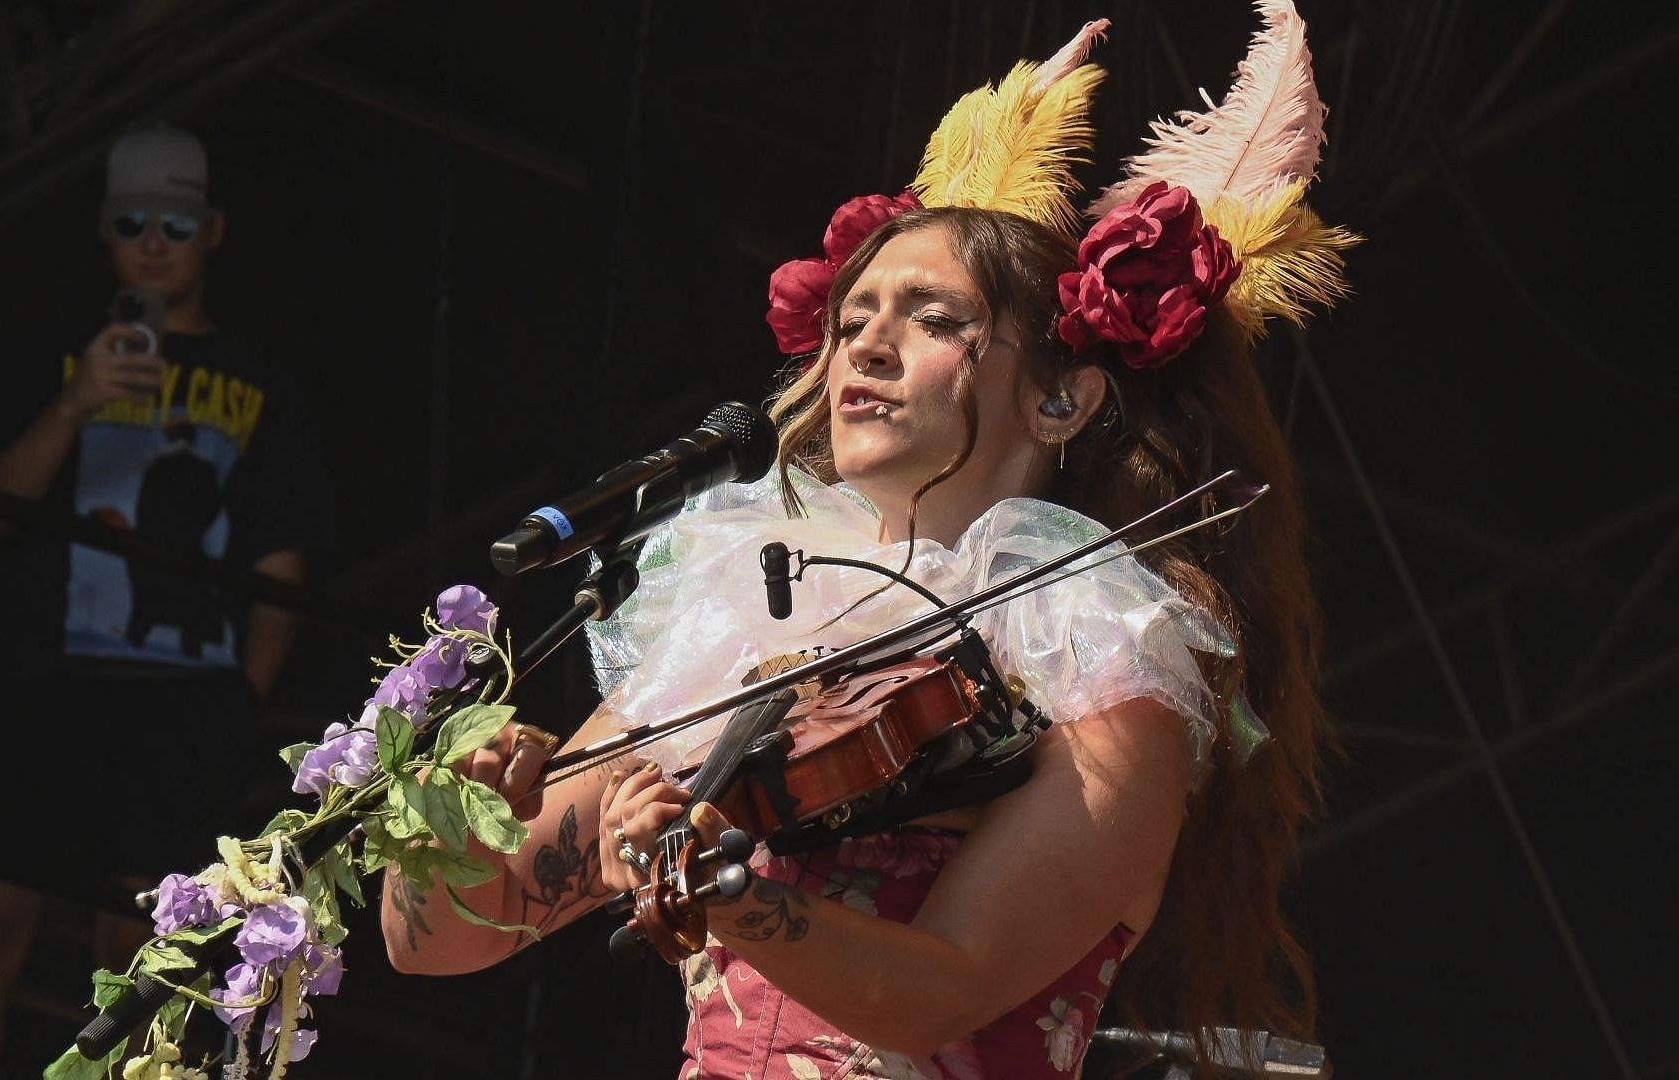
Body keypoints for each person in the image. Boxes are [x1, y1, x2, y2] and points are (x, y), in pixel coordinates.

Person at [382, 6, 1356, 1079]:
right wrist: (453, 810)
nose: (871, 345)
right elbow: (445, 936)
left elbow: (940, 991)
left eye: (935, 319)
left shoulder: (1107, 673)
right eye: (853, 320)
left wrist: (736, 897)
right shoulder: (736, 634)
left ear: (1064, 402)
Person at [0, 123, 331, 1080]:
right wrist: (76, 402)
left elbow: (284, 566)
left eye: (176, 223)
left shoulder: (262, 384)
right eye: (133, 222)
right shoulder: (56, 352)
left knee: (135, 959)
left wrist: (237, 712)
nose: (154, 242)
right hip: (38, 689)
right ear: (105, 234)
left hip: (176, 709)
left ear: (214, 230)